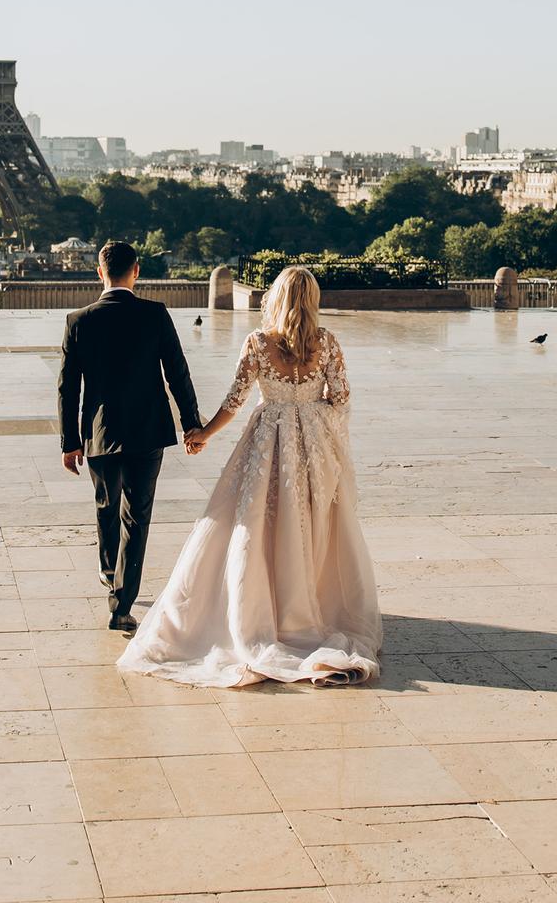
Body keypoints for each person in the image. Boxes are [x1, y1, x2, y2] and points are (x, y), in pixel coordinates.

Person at [119, 264, 381, 686]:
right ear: (312, 300)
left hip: (267, 439)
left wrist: (202, 433)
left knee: (256, 522)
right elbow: (342, 398)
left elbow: (235, 400)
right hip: (313, 444)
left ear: (275, 297)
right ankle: (303, 606)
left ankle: (260, 610)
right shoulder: (327, 342)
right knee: (311, 523)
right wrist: (312, 423)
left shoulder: (258, 343)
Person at [58, 240, 204, 631]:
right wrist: (192, 422)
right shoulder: (156, 315)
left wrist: (69, 441)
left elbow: (68, 388)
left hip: (100, 432)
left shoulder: (79, 320)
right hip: (147, 430)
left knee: (106, 507)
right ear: (136, 271)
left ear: (99, 273)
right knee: (137, 517)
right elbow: (178, 373)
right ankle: (121, 602)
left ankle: (110, 573)